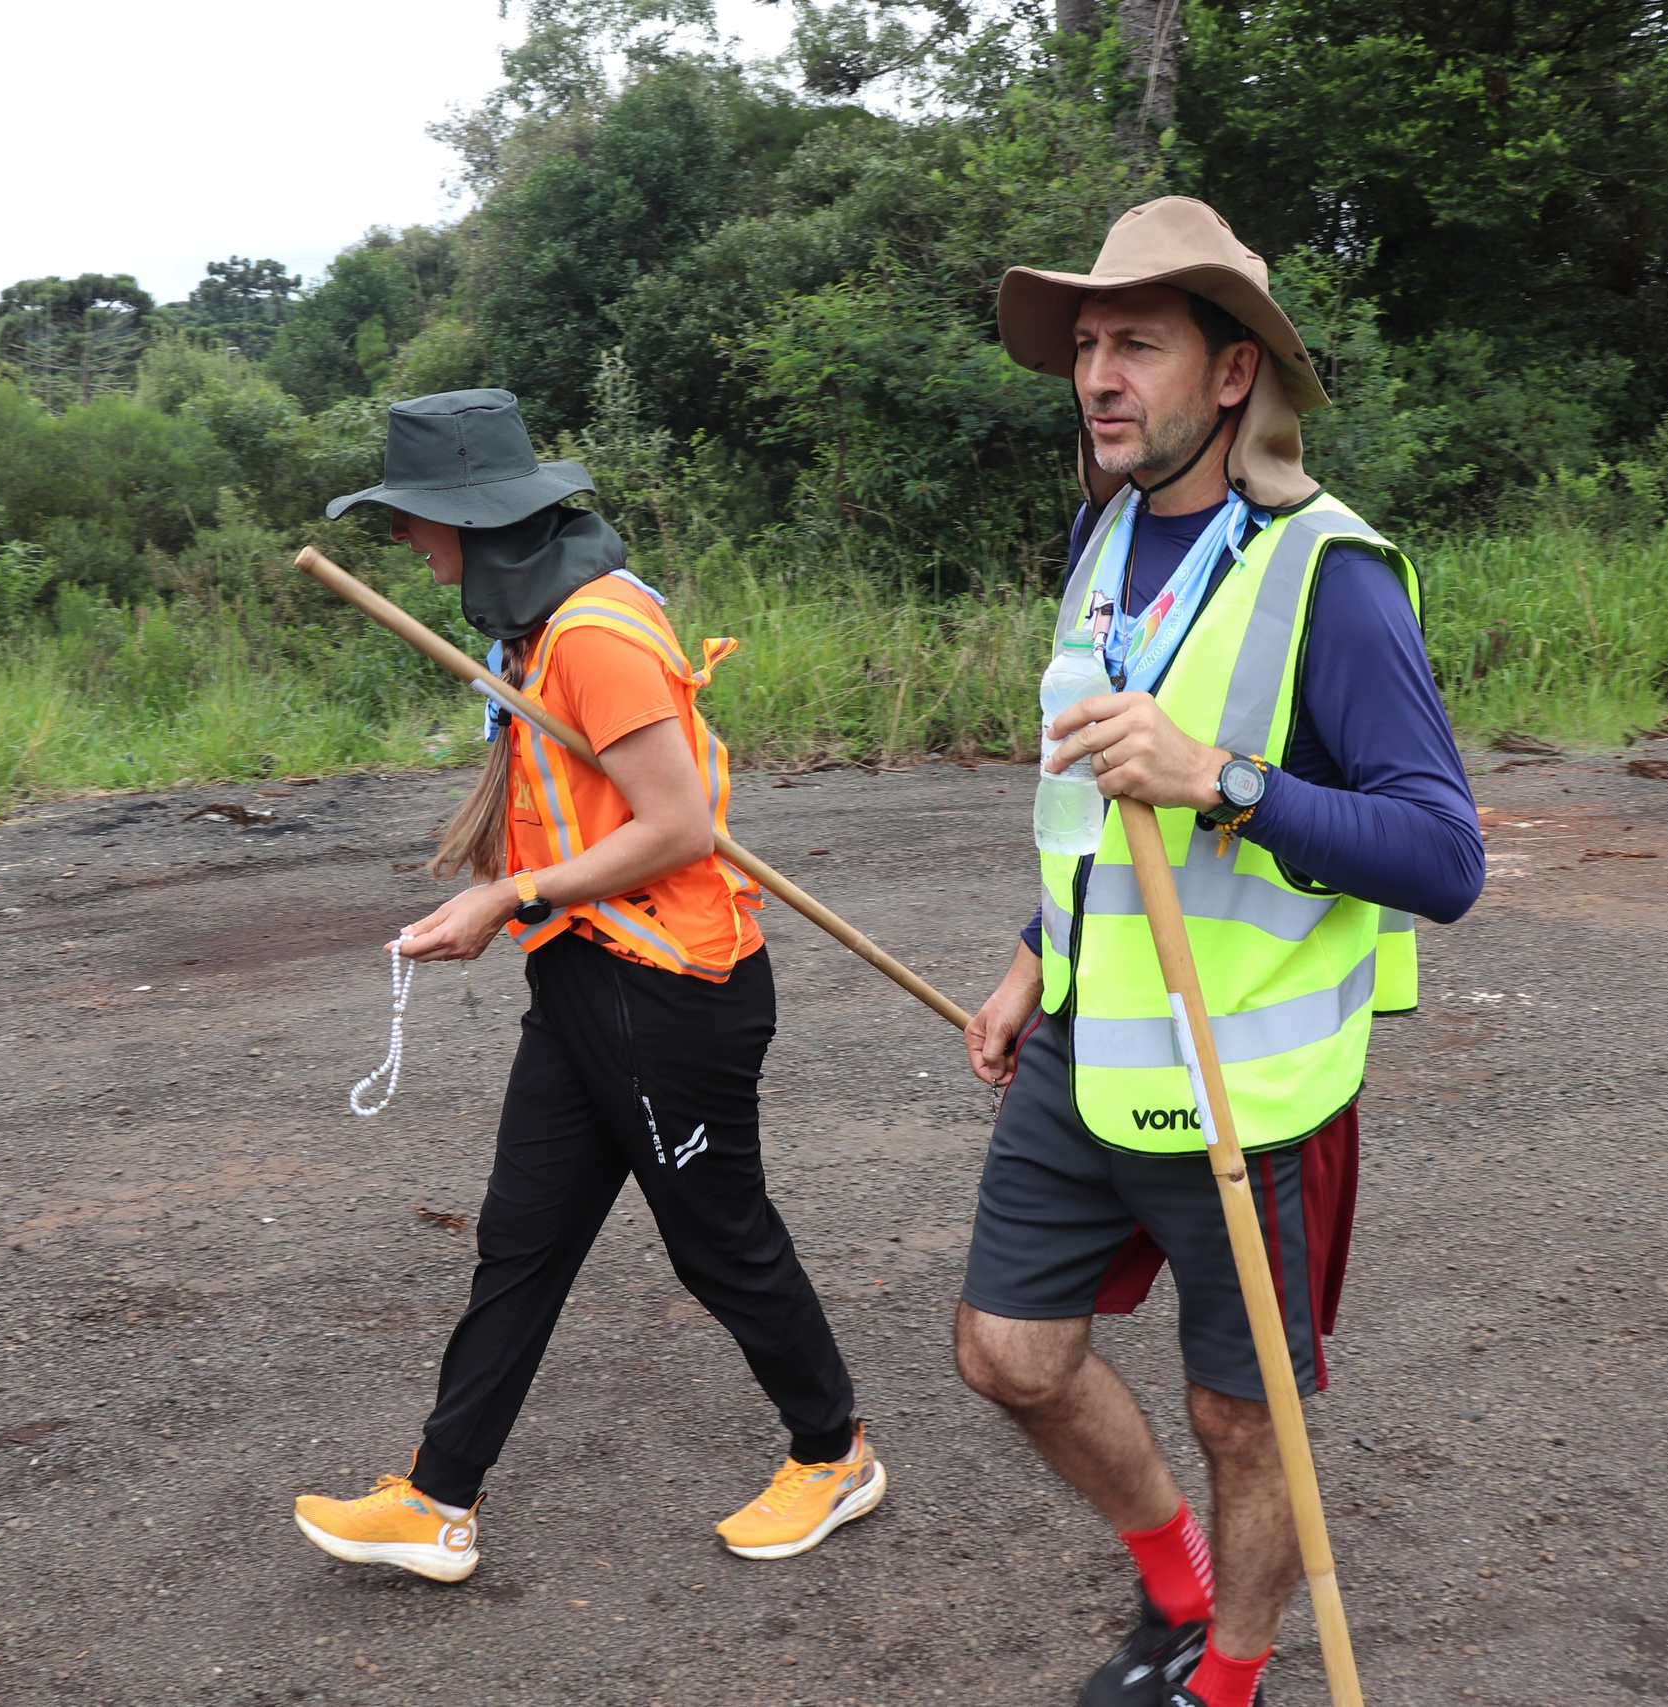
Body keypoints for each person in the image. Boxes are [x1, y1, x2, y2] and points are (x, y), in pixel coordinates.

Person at [953, 199, 1483, 1707]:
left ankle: (1226, 1681)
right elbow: (1090, 798)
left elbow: (1445, 858)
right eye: (1086, 346)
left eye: (1137, 343)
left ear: (1234, 371)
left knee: (1242, 1419)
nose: (1096, 377)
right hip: (1089, 1039)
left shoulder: (1335, 574)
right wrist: (1034, 951)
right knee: (1008, 1354)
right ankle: (1177, 1589)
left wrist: (1231, 784)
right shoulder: (1104, 532)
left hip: (1251, 1085)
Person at [291, 389, 880, 1584]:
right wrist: (507, 899)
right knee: (521, 1237)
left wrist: (509, 896)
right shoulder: (534, 625)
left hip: (669, 985)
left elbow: (677, 826)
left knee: (718, 1240)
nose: (401, 539)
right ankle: (437, 1499)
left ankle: (834, 1455)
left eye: (413, 515)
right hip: (582, 972)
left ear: (474, 519)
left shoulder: (595, 634)